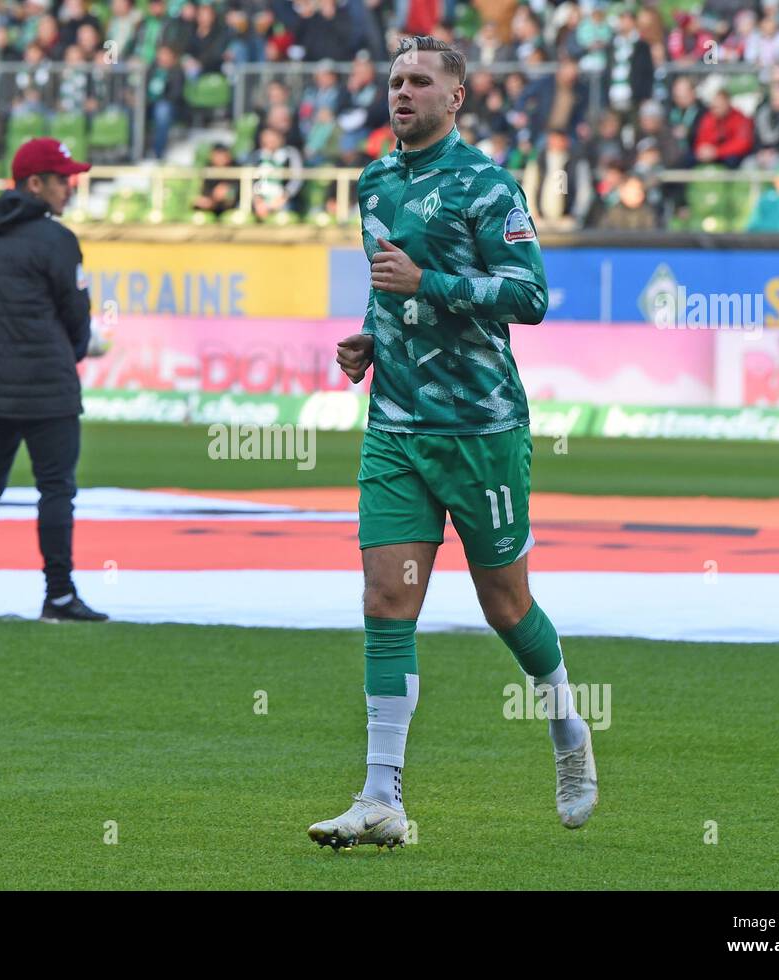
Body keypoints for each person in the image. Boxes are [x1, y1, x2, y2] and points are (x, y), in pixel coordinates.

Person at [308, 35, 598, 852]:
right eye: (396, 80)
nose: (402, 92)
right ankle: (379, 798)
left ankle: (570, 731)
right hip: (397, 428)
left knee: (505, 605)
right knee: (385, 601)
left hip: (480, 430)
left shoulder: (486, 184)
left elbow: (532, 295)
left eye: (420, 81)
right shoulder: (372, 181)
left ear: (455, 97)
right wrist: (369, 338)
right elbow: (387, 289)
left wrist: (428, 284)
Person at [0, 138, 108, 624]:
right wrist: (73, 353)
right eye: (62, 180)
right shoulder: (57, 241)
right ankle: (58, 596)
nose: (69, 188)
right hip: (49, 388)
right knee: (56, 490)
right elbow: (76, 314)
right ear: (35, 183)